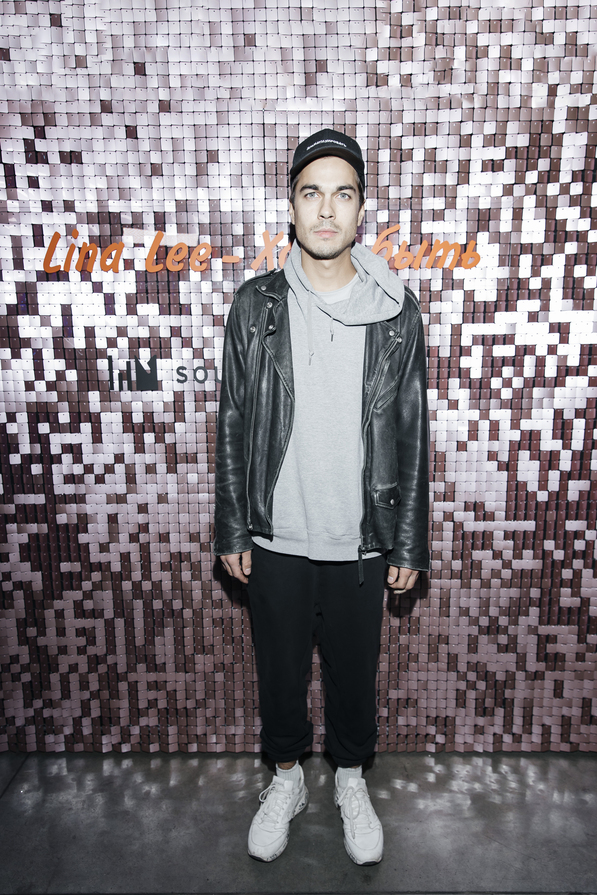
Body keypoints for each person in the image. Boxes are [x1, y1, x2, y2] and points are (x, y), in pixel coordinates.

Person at [214, 129, 429, 865]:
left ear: (361, 209)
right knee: (278, 673)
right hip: (275, 534)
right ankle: (285, 780)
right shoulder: (256, 305)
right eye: (312, 193)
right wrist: (232, 525)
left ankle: (349, 780)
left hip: (360, 537)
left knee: (353, 676)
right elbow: (234, 419)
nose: (327, 209)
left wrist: (407, 541)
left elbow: (411, 430)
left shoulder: (397, 310)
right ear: (292, 206)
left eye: (343, 193)